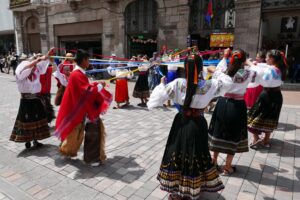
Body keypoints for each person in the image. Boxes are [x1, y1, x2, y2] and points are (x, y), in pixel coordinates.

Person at [147, 54, 234, 200]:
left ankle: (176, 192)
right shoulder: (210, 84)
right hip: (198, 124)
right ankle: (193, 189)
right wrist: (215, 71)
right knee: (196, 154)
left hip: (181, 123)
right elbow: (227, 82)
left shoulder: (178, 83)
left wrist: (162, 84)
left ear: (185, 67)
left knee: (177, 151)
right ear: (201, 68)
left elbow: (154, 101)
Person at [55, 49, 112, 157]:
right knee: (92, 130)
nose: (89, 63)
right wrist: (99, 86)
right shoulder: (77, 74)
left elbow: (85, 87)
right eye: (88, 60)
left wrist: (96, 84)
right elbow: (86, 91)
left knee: (77, 132)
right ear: (83, 60)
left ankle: (68, 150)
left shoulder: (78, 73)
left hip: (79, 108)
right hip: (79, 109)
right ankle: (91, 157)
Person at [10, 48, 54, 149]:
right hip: (26, 101)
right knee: (27, 120)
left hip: (35, 99)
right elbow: (24, 69)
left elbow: (43, 65)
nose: (35, 68)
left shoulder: (36, 70)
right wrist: (36, 61)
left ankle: (35, 140)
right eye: (33, 65)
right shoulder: (20, 71)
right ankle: (27, 140)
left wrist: (47, 55)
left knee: (37, 119)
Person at [247, 50, 287, 149]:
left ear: (272, 59)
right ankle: (266, 140)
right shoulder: (281, 68)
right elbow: (265, 66)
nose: (265, 59)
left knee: (255, 116)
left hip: (266, 95)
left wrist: (248, 62)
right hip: (277, 95)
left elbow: (258, 71)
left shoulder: (270, 70)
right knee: (271, 117)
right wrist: (258, 64)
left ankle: (256, 139)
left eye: (267, 57)